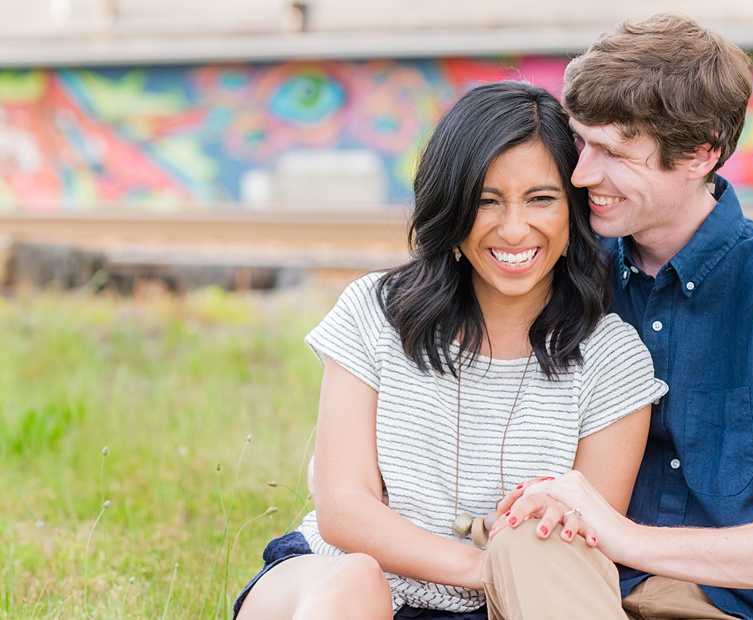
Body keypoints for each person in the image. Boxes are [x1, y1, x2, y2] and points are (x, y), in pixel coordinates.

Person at [491, 13, 753, 619]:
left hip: (721, 605)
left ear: (702, 153)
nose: (581, 174)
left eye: (616, 152)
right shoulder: (563, 259)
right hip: (570, 583)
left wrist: (631, 540)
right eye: (581, 141)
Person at [233, 80, 666, 620]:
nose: (513, 229)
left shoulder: (612, 359)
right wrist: (483, 565)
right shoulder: (376, 310)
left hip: (501, 607)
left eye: (541, 199)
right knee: (357, 581)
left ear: (573, 207)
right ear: (451, 205)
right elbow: (344, 510)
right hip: (339, 572)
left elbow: (580, 541)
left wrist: (512, 568)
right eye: (486, 201)